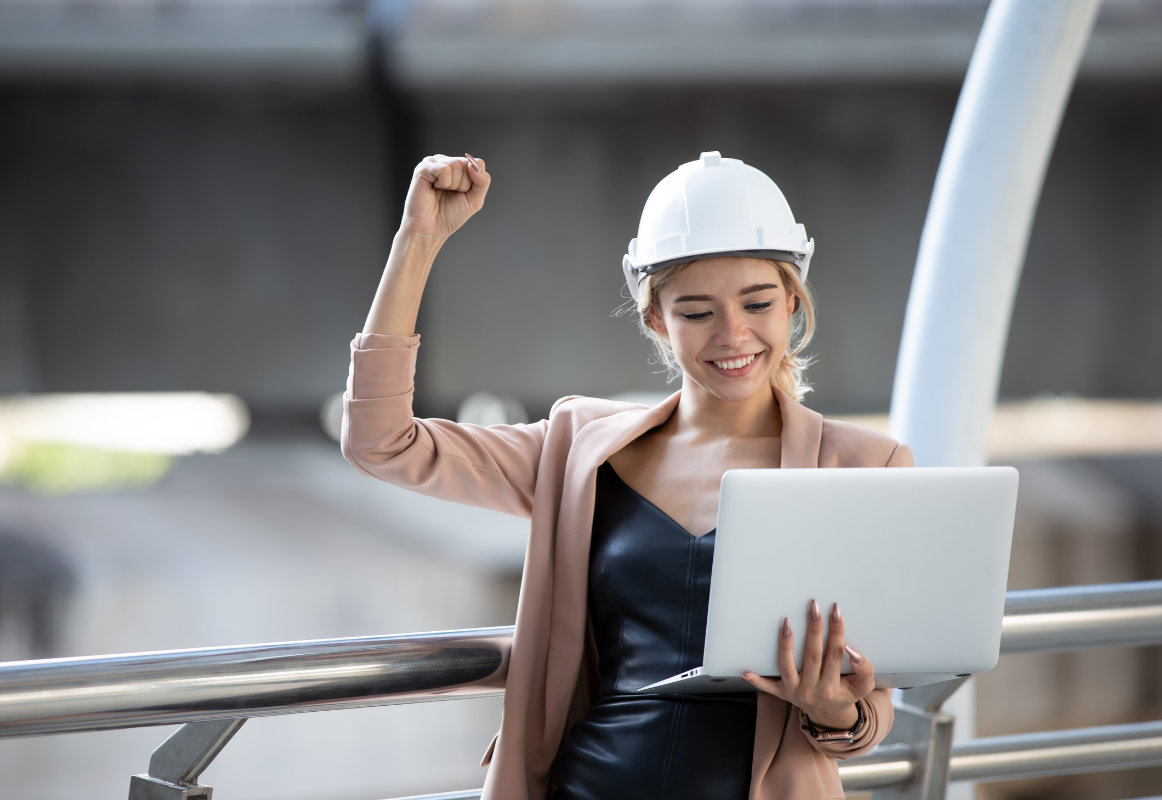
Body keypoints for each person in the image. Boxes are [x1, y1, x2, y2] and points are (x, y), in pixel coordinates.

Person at [343, 152, 912, 800]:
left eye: (757, 303)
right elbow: (381, 441)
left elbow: (875, 703)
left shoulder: (865, 467)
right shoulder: (578, 448)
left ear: (791, 301)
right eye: (696, 312)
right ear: (655, 317)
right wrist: (418, 240)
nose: (733, 335)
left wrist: (836, 709)